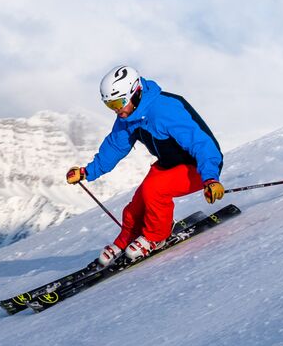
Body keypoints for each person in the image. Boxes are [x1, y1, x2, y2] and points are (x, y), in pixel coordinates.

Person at [65, 65, 226, 266]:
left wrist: (210, 177)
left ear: (135, 92)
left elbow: (200, 143)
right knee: (137, 204)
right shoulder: (128, 117)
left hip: (199, 167)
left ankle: (157, 236)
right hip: (169, 165)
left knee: (154, 190)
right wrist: (86, 172)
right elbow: (115, 146)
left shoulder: (164, 109)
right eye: (110, 106)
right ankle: (127, 238)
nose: (116, 110)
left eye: (117, 103)